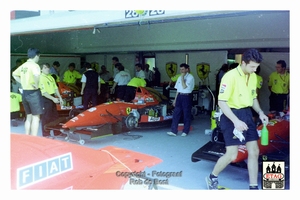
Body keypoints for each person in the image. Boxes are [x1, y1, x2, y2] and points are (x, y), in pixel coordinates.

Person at [205, 49, 269, 190]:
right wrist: (236, 121)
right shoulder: (230, 76)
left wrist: (260, 113)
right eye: (252, 67)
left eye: (256, 67)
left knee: (254, 151)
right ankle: (212, 177)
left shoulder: (252, 77)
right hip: (230, 115)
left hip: (246, 114)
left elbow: (253, 98)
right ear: (243, 63)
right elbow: (222, 102)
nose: (254, 70)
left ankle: (253, 186)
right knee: (232, 154)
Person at [12, 48, 44, 136]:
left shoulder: (23, 65)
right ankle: (34, 138)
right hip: (33, 93)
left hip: (25, 93)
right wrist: (36, 85)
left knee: (28, 116)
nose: (39, 58)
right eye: (39, 56)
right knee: (36, 117)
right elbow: (36, 75)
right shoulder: (35, 65)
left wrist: (22, 81)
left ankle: (27, 136)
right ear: (36, 55)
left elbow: (14, 74)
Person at [167, 63, 195, 137]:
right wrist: (175, 100)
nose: (181, 71)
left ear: (187, 69)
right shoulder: (179, 77)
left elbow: (184, 86)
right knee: (176, 113)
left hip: (186, 96)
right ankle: (173, 131)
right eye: (180, 69)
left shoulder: (190, 77)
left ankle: (185, 131)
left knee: (186, 114)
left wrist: (182, 77)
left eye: (183, 69)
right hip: (180, 96)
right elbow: (178, 90)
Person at [39, 63, 63, 138]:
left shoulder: (51, 77)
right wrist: (53, 99)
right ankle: (46, 134)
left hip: (52, 97)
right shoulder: (41, 78)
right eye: (45, 68)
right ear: (41, 69)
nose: (47, 69)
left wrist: (60, 97)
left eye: (48, 68)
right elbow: (44, 93)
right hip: (45, 98)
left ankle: (57, 132)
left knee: (55, 116)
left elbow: (55, 88)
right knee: (46, 116)